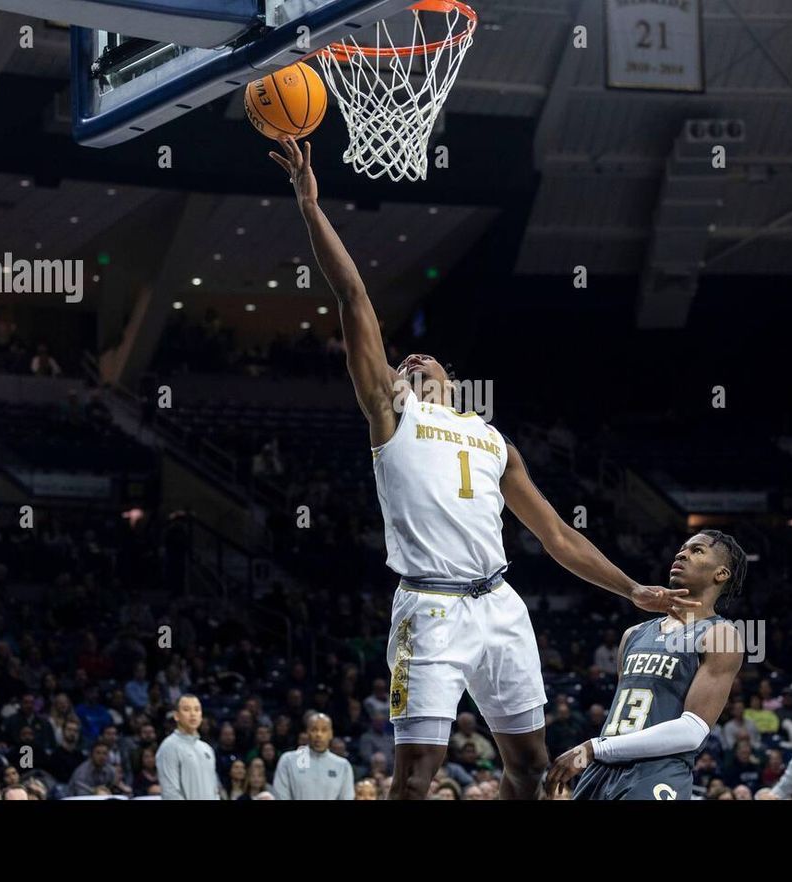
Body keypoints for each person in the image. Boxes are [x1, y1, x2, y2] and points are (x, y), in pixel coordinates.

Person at [270, 136, 693, 800]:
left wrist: (633, 590)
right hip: (429, 607)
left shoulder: (493, 441)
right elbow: (353, 297)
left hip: (499, 604)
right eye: (403, 362)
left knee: (531, 766)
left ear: (453, 382)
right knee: (416, 775)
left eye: (424, 360)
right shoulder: (391, 416)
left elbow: (558, 537)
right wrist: (309, 205)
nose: (412, 362)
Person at [546, 532, 748, 800]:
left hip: (658, 772)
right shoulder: (634, 633)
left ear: (721, 574)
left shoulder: (720, 634)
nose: (682, 554)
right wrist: (599, 751)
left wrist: (596, 747)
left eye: (697, 550)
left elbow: (692, 731)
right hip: (603, 770)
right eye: (682, 548)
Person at [272, 713, 353, 800]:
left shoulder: (343, 766)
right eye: (314, 730)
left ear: (330, 734)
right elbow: (280, 796)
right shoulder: (288, 760)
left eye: (324, 730)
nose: (319, 734)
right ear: (307, 732)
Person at [155, 695, 220, 800]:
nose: (193, 714)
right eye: (186, 709)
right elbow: (170, 793)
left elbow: (214, 789)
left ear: (201, 715)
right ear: (176, 715)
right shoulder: (169, 747)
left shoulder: (207, 748)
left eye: (197, 709)